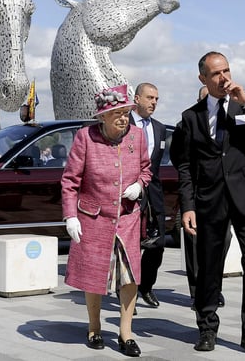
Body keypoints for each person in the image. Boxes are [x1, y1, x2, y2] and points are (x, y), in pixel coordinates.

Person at [173, 51, 245, 356]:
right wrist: (188, 206)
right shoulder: (190, 117)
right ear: (203, 78)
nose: (223, 78)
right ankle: (207, 327)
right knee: (209, 267)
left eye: (227, 71)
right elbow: (185, 166)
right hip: (209, 201)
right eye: (216, 73)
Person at [61, 84, 151, 357]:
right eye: (117, 113)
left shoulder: (136, 137)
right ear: (103, 116)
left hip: (128, 219)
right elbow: (70, 181)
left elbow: (146, 169)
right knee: (95, 275)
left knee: (131, 276)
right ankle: (94, 327)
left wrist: (140, 185)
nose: (124, 118)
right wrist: (70, 216)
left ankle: (126, 334)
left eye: (126, 112)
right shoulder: (85, 137)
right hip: (94, 219)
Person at [172, 85, 231, 310]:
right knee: (196, 246)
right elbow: (180, 159)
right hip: (198, 193)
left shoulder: (227, 123)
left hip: (223, 196)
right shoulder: (186, 123)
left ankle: (215, 287)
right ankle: (198, 292)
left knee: (223, 242)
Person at [129, 82, 167, 308]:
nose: (153, 102)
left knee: (158, 243)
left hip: (154, 192)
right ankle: (127, 292)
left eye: (156, 99)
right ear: (137, 99)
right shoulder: (124, 122)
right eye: (150, 98)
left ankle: (146, 286)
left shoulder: (160, 128)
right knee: (130, 245)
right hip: (130, 192)